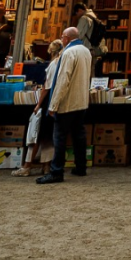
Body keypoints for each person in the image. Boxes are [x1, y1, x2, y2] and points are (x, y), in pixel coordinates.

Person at [36, 26, 93, 184]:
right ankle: (81, 166)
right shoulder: (85, 51)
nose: (61, 39)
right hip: (81, 100)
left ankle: (56, 171)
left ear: (67, 38)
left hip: (67, 102)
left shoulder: (68, 53)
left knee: (59, 137)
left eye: (62, 37)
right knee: (79, 135)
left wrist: (53, 105)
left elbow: (63, 80)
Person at [15, 40, 63, 176]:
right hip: (56, 101)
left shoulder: (53, 65)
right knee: (49, 136)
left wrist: (38, 104)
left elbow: (46, 87)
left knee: (35, 134)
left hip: (47, 101)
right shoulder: (62, 63)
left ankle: (27, 166)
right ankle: (46, 166)